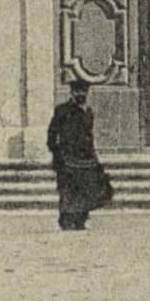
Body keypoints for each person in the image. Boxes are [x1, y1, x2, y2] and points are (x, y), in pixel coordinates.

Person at [47, 68, 112, 230]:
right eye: (78, 91)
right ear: (72, 93)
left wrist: (93, 156)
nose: (81, 94)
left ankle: (80, 219)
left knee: (86, 188)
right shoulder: (62, 110)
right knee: (68, 190)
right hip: (68, 157)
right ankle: (67, 220)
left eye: (84, 92)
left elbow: (89, 135)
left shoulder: (88, 112)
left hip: (86, 158)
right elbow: (52, 134)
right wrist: (57, 153)